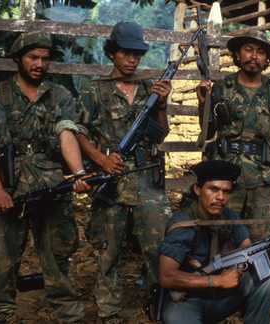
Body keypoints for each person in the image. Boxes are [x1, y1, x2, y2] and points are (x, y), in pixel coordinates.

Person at [0, 31, 91, 324]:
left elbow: (68, 134)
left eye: (45, 58)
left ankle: (70, 316)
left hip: (50, 184)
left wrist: (78, 173)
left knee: (57, 258)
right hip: (10, 186)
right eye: (33, 57)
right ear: (18, 58)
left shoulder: (61, 95)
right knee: (2, 257)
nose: (40, 63)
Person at [75, 22, 172, 324]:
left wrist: (162, 103)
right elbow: (76, 132)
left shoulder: (148, 90)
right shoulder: (94, 91)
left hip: (146, 179)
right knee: (108, 252)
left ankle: (160, 306)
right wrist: (98, 160)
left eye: (137, 54)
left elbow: (161, 134)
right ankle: (110, 313)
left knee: (159, 249)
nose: (132, 60)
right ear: (112, 54)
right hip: (111, 178)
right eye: (126, 53)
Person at [157, 159, 270, 324]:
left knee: (267, 279)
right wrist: (216, 281)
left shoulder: (230, 218)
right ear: (198, 189)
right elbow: (166, 277)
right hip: (188, 302)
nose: (220, 197)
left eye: (226, 191)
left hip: (222, 299)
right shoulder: (183, 224)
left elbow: (252, 256)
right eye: (213, 189)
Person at [196, 30, 270, 241]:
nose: (254, 56)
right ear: (237, 55)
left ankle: (254, 273)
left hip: (260, 173)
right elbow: (208, 132)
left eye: (260, 52)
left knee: (260, 232)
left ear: (266, 59)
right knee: (221, 229)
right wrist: (204, 103)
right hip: (225, 172)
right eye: (248, 50)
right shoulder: (222, 88)